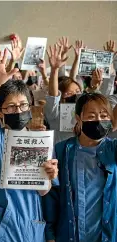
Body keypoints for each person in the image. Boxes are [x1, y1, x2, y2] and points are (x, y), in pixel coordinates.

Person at [0, 47, 58, 242]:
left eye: (23, 105)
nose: (19, 110)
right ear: (0, 113)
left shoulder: (40, 142)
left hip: (27, 219)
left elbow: (44, 190)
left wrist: (49, 176)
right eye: (11, 107)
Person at [43, 93, 116, 242]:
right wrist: (50, 234)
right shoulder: (62, 150)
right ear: (78, 118)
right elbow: (52, 195)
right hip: (69, 234)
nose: (98, 121)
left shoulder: (113, 150)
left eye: (104, 116)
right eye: (91, 116)